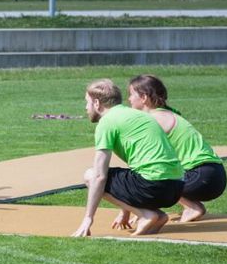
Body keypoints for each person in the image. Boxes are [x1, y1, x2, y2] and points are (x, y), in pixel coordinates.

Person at [73, 79, 184, 237]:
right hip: (176, 188)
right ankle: (155, 215)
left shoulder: (107, 122)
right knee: (124, 175)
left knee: (90, 175)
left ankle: (146, 215)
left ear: (96, 103)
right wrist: (125, 210)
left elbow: (99, 176)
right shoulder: (138, 115)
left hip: (153, 186)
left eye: (87, 102)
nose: (86, 107)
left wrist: (88, 219)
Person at [128, 74, 226, 223]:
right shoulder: (168, 113)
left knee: (154, 179)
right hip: (215, 176)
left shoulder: (153, 120)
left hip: (200, 177)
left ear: (144, 97)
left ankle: (192, 207)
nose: (129, 99)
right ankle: (189, 205)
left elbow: (149, 165)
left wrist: (138, 205)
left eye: (131, 94)